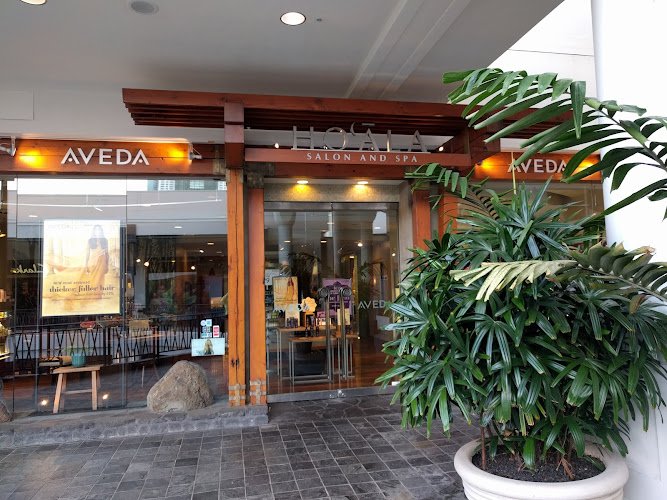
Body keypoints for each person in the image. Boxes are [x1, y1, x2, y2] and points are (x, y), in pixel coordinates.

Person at [83, 224, 109, 299]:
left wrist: (107, 265)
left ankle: (99, 295)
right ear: (94, 231)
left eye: (99, 230)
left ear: (101, 231)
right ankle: (92, 295)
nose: (98, 231)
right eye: (96, 230)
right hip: (92, 262)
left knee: (100, 279)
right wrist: (86, 265)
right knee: (93, 279)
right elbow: (87, 253)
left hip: (102, 262)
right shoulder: (90, 241)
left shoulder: (105, 240)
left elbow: (107, 253)